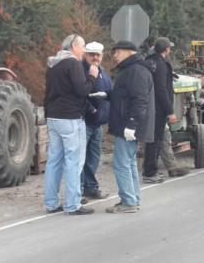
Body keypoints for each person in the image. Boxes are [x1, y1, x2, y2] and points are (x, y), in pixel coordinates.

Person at [43, 34, 99, 215]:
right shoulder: (73, 63)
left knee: (54, 161)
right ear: (74, 46)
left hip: (53, 117)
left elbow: (48, 93)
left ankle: (51, 203)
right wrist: (92, 77)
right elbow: (82, 90)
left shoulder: (52, 65)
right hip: (70, 118)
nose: (84, 50)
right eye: (83, 46)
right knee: (74, 161)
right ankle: (73, 204)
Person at [102, 40, 155, 213]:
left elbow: (140, 100)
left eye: (117, 52)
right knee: (129, 162)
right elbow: (124, 95)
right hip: (129, 123)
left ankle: (128, 202)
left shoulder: (136, 71)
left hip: (129, 124)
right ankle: (133, 198)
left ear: (130, 52)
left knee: (121, 163)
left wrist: (131, 123)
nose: (114, 56)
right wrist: (108, 95)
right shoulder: (132, 69)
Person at [142, 37, 178, 184]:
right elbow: (162, 89)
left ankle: (152, 170)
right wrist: (170, 110)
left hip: (150, 106)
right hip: (158, 108)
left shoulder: (149, 62)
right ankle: (150, 172)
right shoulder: (161, 65)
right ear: (166, 49)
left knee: (155, 139)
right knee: (154, 140)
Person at [79, 42, 111, 204]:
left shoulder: (102, 72)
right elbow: (78, 95)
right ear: (85, 55)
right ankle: (78, 191)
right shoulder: (80, 71)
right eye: (92, 54)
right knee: (80, 159)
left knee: (93, 158)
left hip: (98, 124)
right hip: (84, 121)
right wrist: (91, 110)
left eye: (98, 54)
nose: (95, 57)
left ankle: (91, 187)